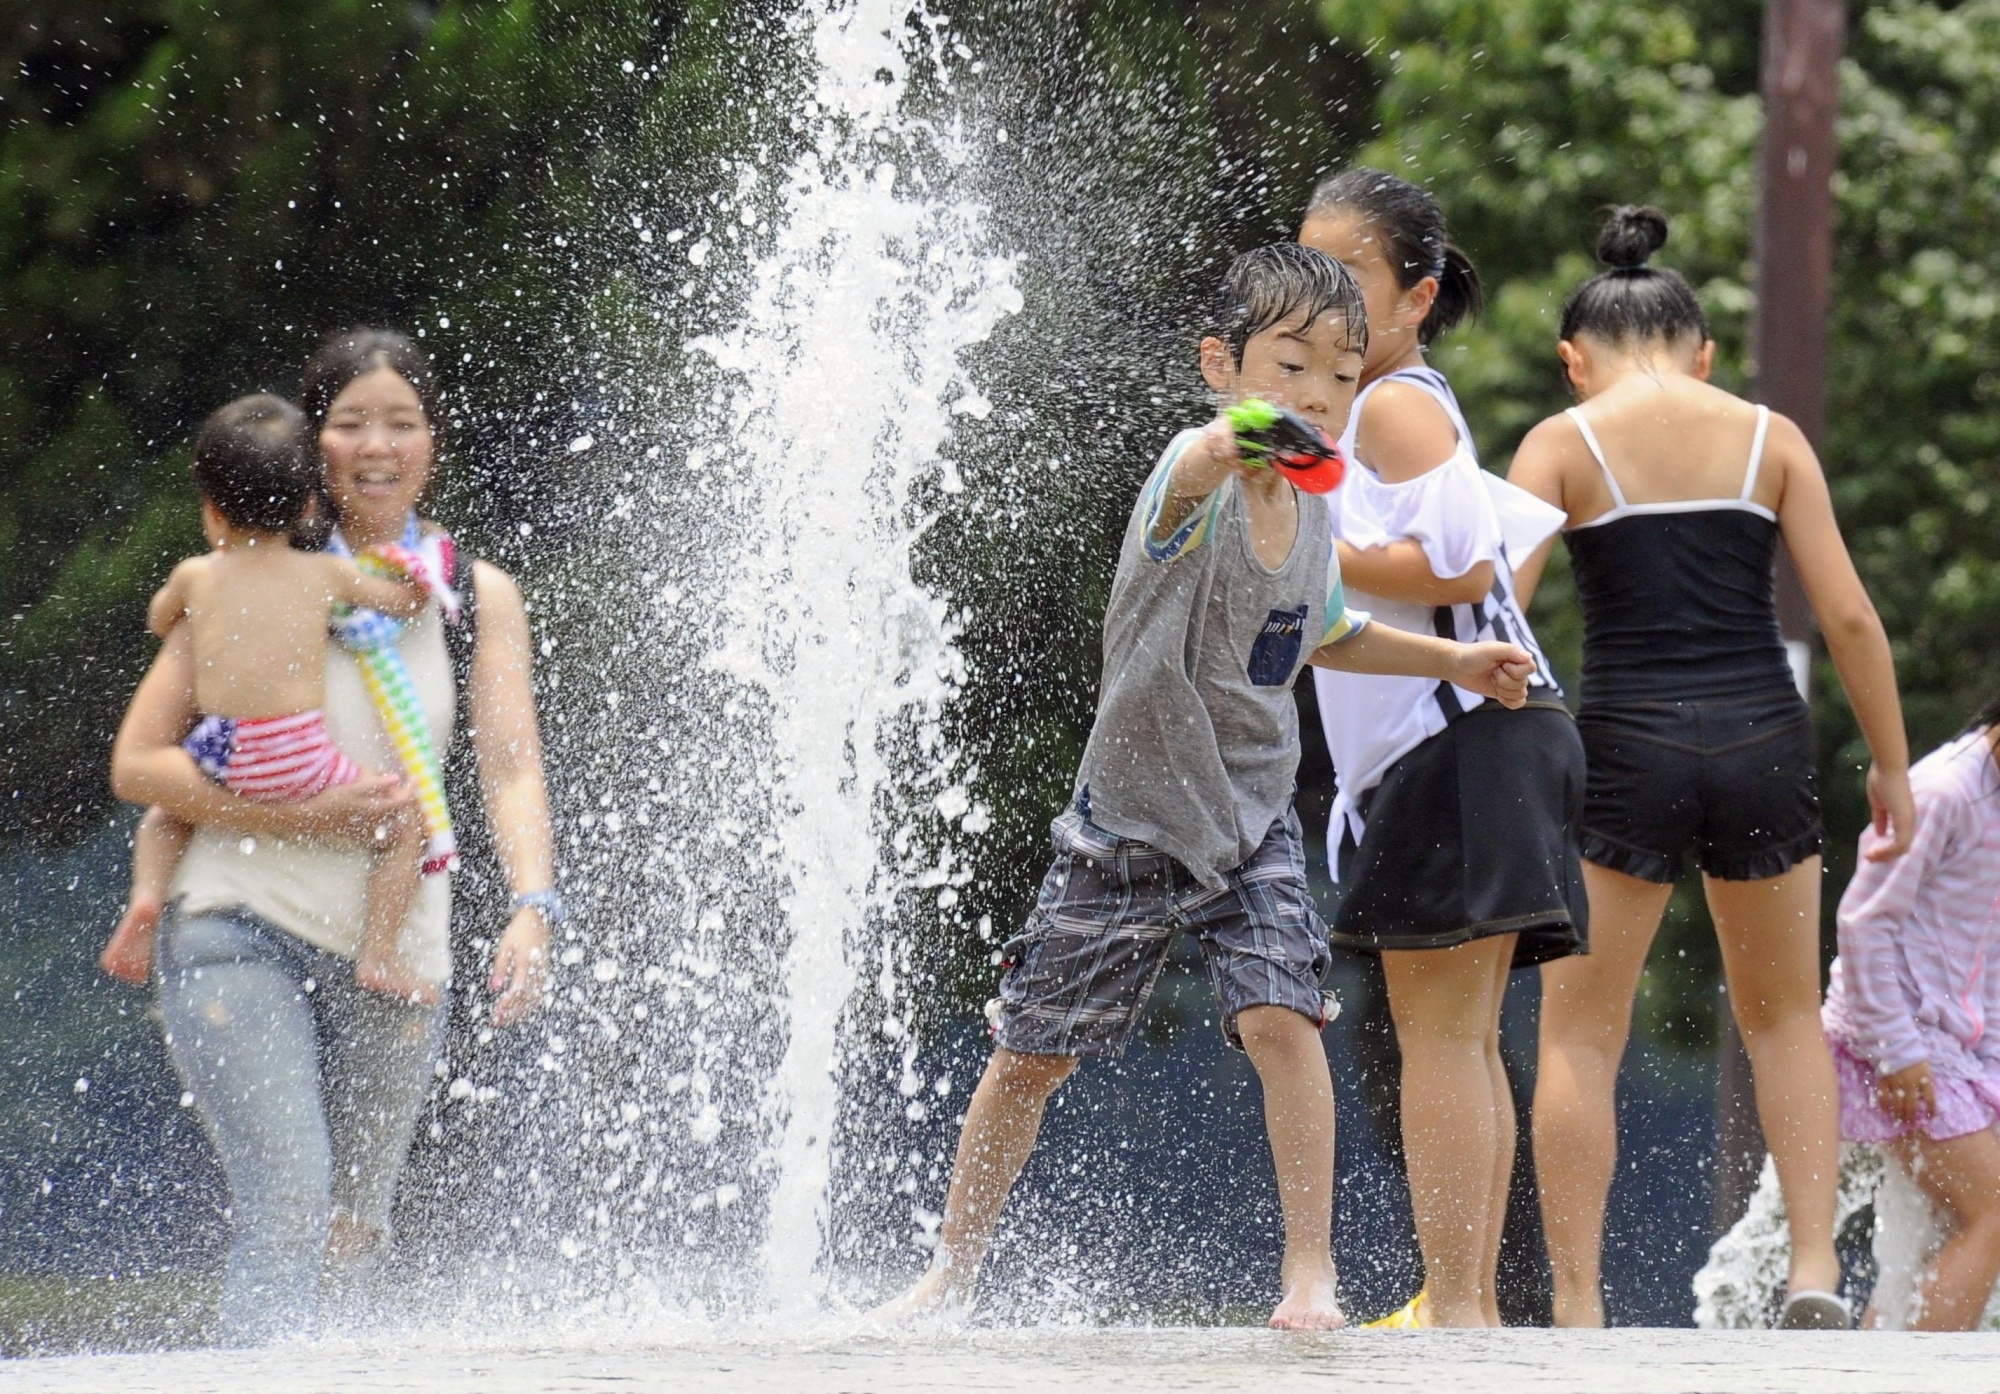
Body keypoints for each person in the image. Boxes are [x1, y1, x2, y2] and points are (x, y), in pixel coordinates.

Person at [875, 242, 1537, 1330]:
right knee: (1031, 1054)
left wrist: (1453, 661)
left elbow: (1321, 629)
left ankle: (1309, 1273)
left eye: (1339, 373)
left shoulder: (1319, 505)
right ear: (1219, 366)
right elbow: (1199, 460)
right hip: (1126, 821)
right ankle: (953, 1263)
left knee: (1286, 1018)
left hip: (1248, 818)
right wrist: (1246, 432)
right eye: (1289, 366)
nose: (1317, 395)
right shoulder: (1190, 474)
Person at [108, 329, 558, 1343]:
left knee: (356, 1227)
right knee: (289, 1205)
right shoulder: (254, 572)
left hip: (396, 951)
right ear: (314, 444)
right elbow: (142, 762)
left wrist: (532, 905)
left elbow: (512, 764)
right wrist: (296, 814)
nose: (376, 445)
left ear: (433, 440)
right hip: (239, 923)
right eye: (350, 423)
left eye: (401, 422)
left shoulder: (472, 595)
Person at [1509, 207, 1914, 1329]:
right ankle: (1812, 1279)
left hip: (1624, 741)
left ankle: (1580, 1307)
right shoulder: (1767, 437)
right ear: (1702, 352)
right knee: (1783, 1014)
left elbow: (1495, 609)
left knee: (1580, 1033)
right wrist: (1890, 769)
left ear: (1571, 358)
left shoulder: (1558, 441)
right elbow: (1847, 616)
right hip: (1759, 737)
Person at [1298, 170, 1585, 1330]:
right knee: (1455, 1039)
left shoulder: (1388, 404)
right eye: (1309, 273)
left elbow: (1465, 565)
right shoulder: (1359, 409)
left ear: (1415, 297)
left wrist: (1309, 539)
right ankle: (1464, 1304)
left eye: (1351, 280)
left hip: (1461, 741)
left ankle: (1460, 1311)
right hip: (1476, 740)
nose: (1326, 304)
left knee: (1443, 1039)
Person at [101, 393, 442, 1003]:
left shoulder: (196, 576)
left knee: (166, 812)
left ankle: (146, 901)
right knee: (405, 819)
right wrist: (419, 577)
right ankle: (381, 954)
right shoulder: (324, 575)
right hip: (299, 756)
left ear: (212, 514)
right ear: (310, 506)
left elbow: (158, 620)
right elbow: (400, 602)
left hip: (225, 752)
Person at [1823, 700, 2000, 1331]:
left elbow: (1986, 955)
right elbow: (1864, 922)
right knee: (1991, 1215)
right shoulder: (1944, 790)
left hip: (1952, 1049)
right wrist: (1897, 1049)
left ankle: (1876, 1372)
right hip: (1890, 1038)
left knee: (1931, 1241)